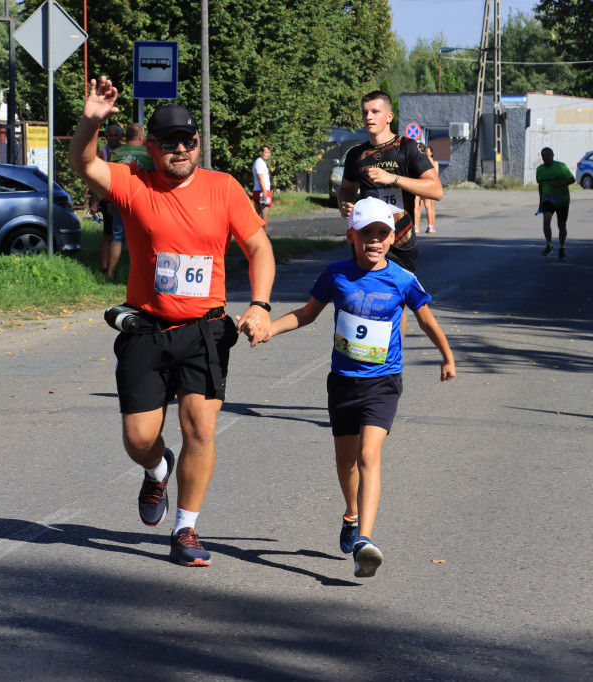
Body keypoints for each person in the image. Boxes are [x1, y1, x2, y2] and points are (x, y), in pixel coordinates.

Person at [69, 77, 275, 567]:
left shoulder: (223, 188)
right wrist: (92, 119)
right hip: (145, 327)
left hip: (205, 329)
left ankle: (186, 529)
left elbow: (259, 248)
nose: (180, 149)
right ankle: (158, 467)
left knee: (200, 429)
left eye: (188, 140)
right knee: (139, 438)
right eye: (168, 143)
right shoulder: (134, 183)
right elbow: (83, 162)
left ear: (197, 143)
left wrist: (261, 304)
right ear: (153, 147)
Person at [244, 197, 455, 578]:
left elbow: (426, 320)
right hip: (343, 382)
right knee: (345, 461)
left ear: (393, 238)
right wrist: (269, 330)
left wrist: (447, 355)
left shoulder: (402, 279)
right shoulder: (336, 274)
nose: (374, 241)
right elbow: (307, 314)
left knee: (368, 456)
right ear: (351, 236)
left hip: (384, 381)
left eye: (382, 233)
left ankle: (364, 541)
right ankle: (351, 512)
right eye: (366, 234)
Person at [337, 90, 442, 339]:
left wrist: (392, 178)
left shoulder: (408, 148)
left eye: (375, 111)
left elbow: (436, 190)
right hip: (367, 239)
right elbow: (345, 190)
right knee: (363, 300)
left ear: (389, 116)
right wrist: (345, 205)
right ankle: (362, 354)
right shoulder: (356, 155)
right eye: (365, 113)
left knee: (394, 304)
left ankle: (391, 358)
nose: (369, 117)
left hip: (400, 239)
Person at [104, 124, 153, 278]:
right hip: (142, 200)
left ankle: (110, 272)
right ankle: (141, 272)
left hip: (120, 198)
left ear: (126, 137)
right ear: (141, 137)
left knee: (117, 236)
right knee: (143, 236)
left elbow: (110, 180)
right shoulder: (148, 154)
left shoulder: (116, 153)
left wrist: (110, 201)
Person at [91, 124, 124, 273]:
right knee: (109, 234)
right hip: (107, 197)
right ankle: (104, 267)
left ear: (121, 137)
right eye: (110, 135)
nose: (113, 138)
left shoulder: (125, 152)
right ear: (106, 137)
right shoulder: (101, 154)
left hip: (123, 197)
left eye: (116, 135)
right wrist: (95, 201)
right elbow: (93, 179)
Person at [535, 147, 575, 260]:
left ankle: (561, 247)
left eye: (548, 154)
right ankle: (549, 245)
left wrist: (559, 184)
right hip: (548, 199)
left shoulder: (561, 166)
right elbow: (541, 186)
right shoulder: (540, 169)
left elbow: (572, 179)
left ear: (552, 156)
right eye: (543, 155)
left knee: (561, 226)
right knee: (546, 220)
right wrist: (540, 202)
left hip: (562, 199)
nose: (545, 157)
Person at [413, 145, 440, 233]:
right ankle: (422, 226)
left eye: (427, 151)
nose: (425, 153)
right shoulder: (433, 162)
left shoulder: (426, 161)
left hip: (424, 185)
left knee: (426, 206)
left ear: (431, 153)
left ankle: (426, 226)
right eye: (425, 151)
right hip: (426, 185)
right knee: (421, 206)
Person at [252, 145, 273, 229]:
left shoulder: (261, 162)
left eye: (269, 153)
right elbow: (260, 178)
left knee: (257, 215)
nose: (268, 154)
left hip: (257, 190)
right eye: (266, 152)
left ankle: (256, 234)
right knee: (265, 215)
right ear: (261, 152)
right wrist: (264, 191)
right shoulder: (260, 162)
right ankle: (266, 235)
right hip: (263, 190)